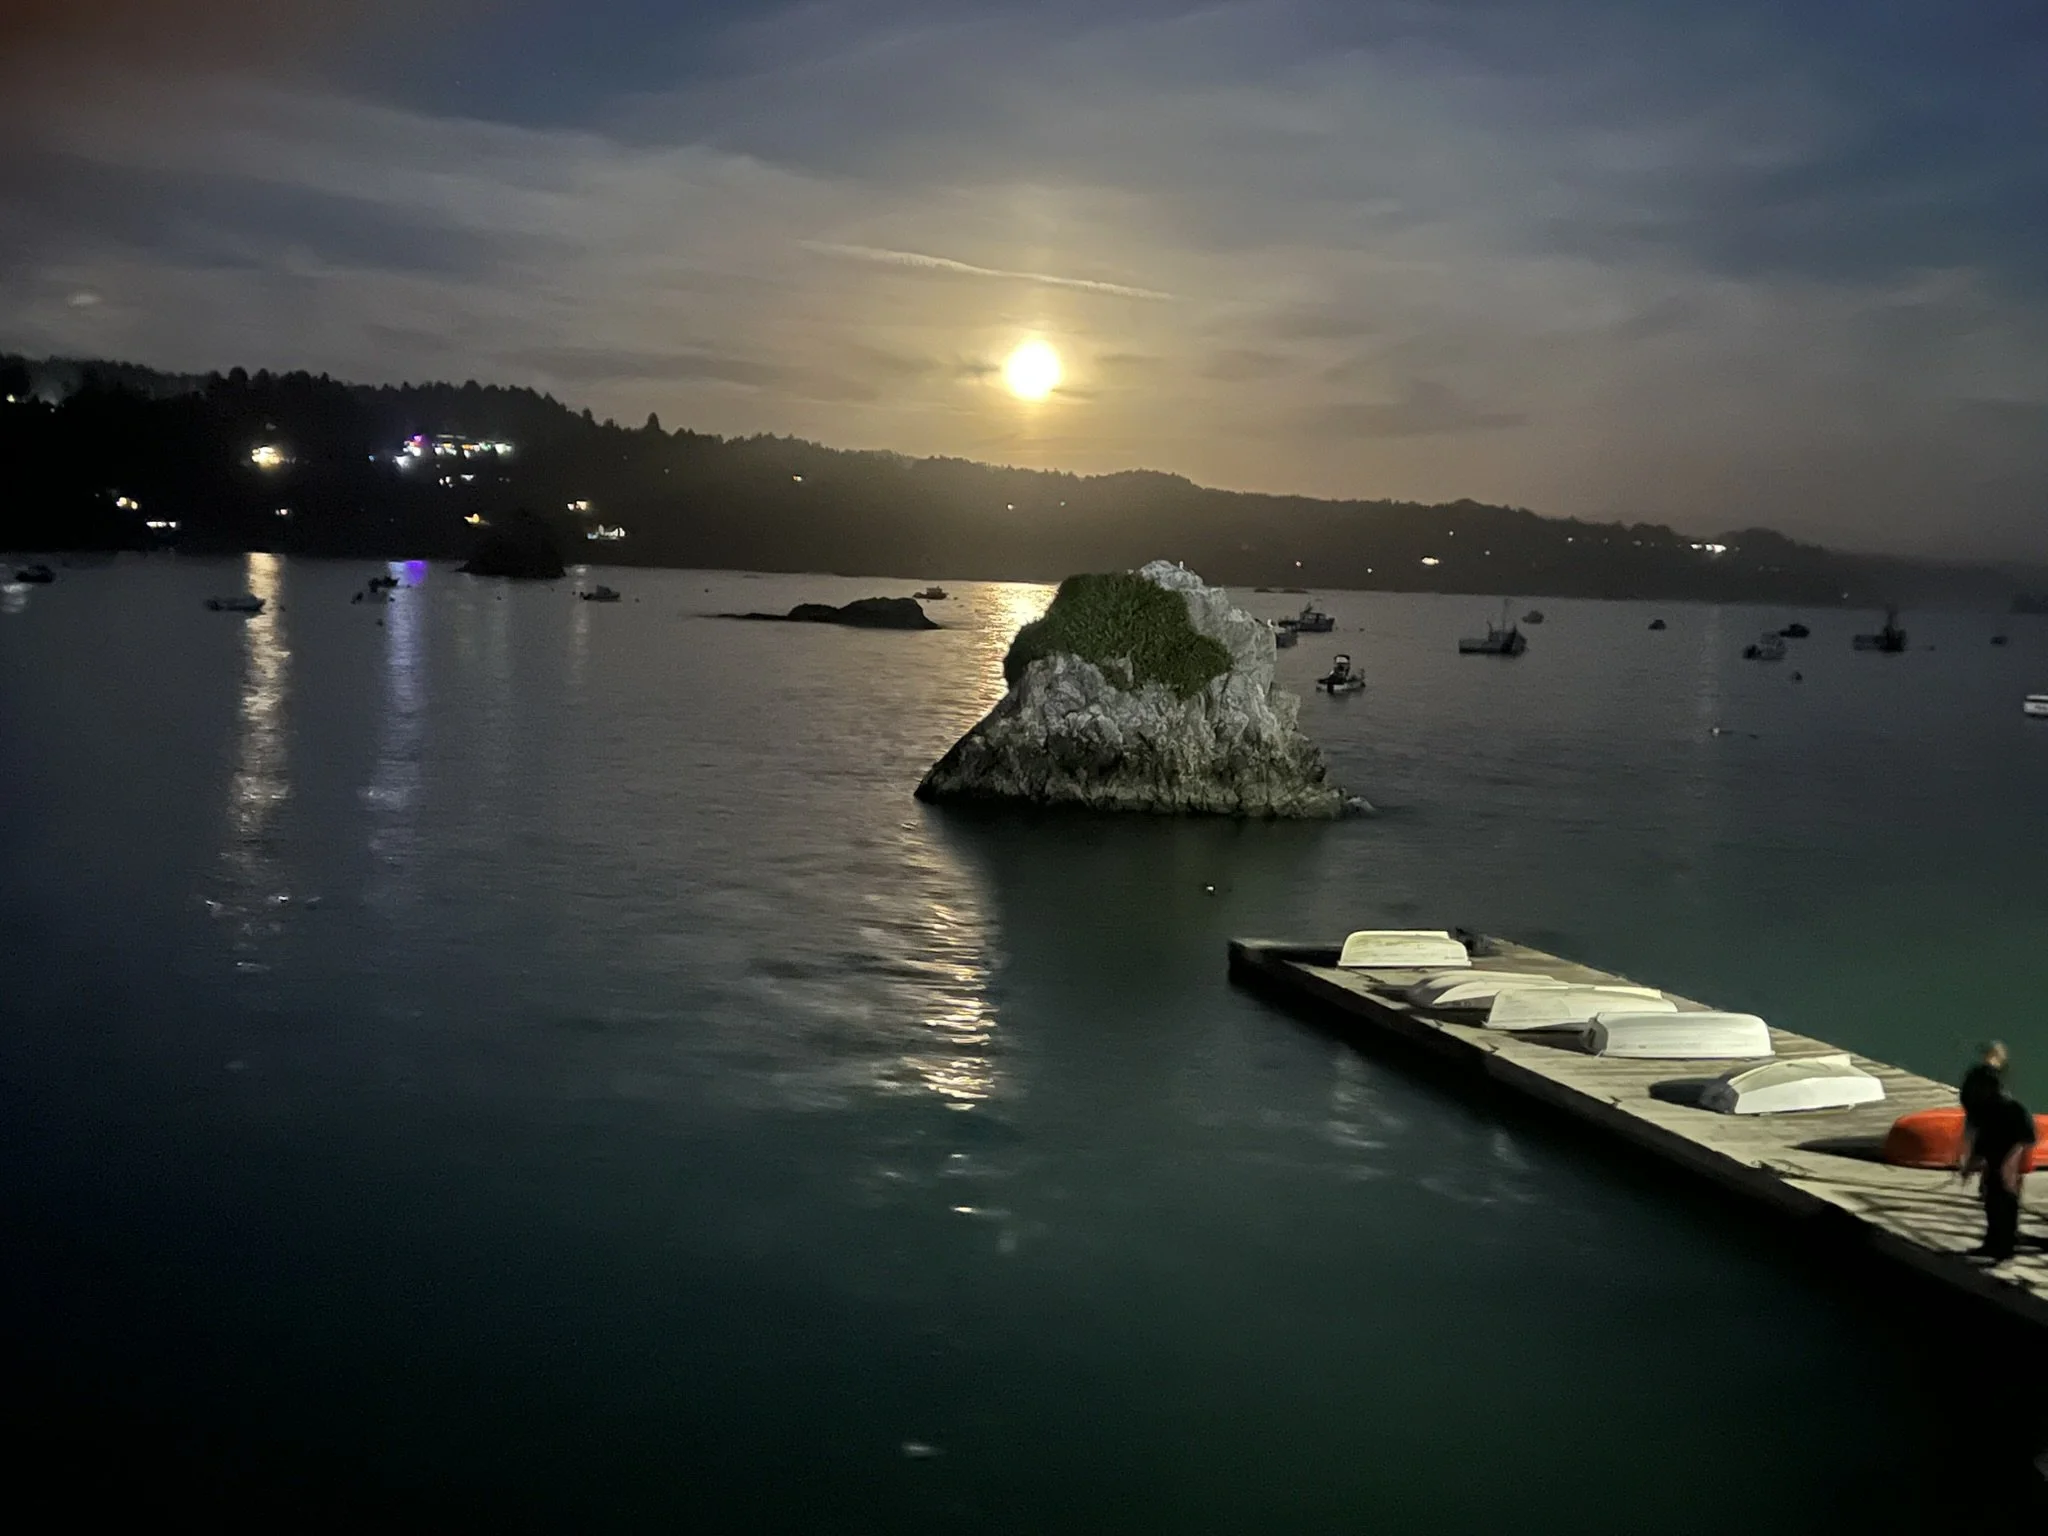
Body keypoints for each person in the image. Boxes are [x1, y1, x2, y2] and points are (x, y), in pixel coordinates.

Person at [1962, 1086, 2037, 1261]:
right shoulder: (1996, 1109)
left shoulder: (1996, 1111)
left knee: (2003, 1193)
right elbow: (1981, 1143)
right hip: (1999, 1149)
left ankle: (2003, 1243)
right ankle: (1997, 1241)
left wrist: (1969, 1168)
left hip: (2010, 1148)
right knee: (1994, 1195)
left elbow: (1981, 1143)